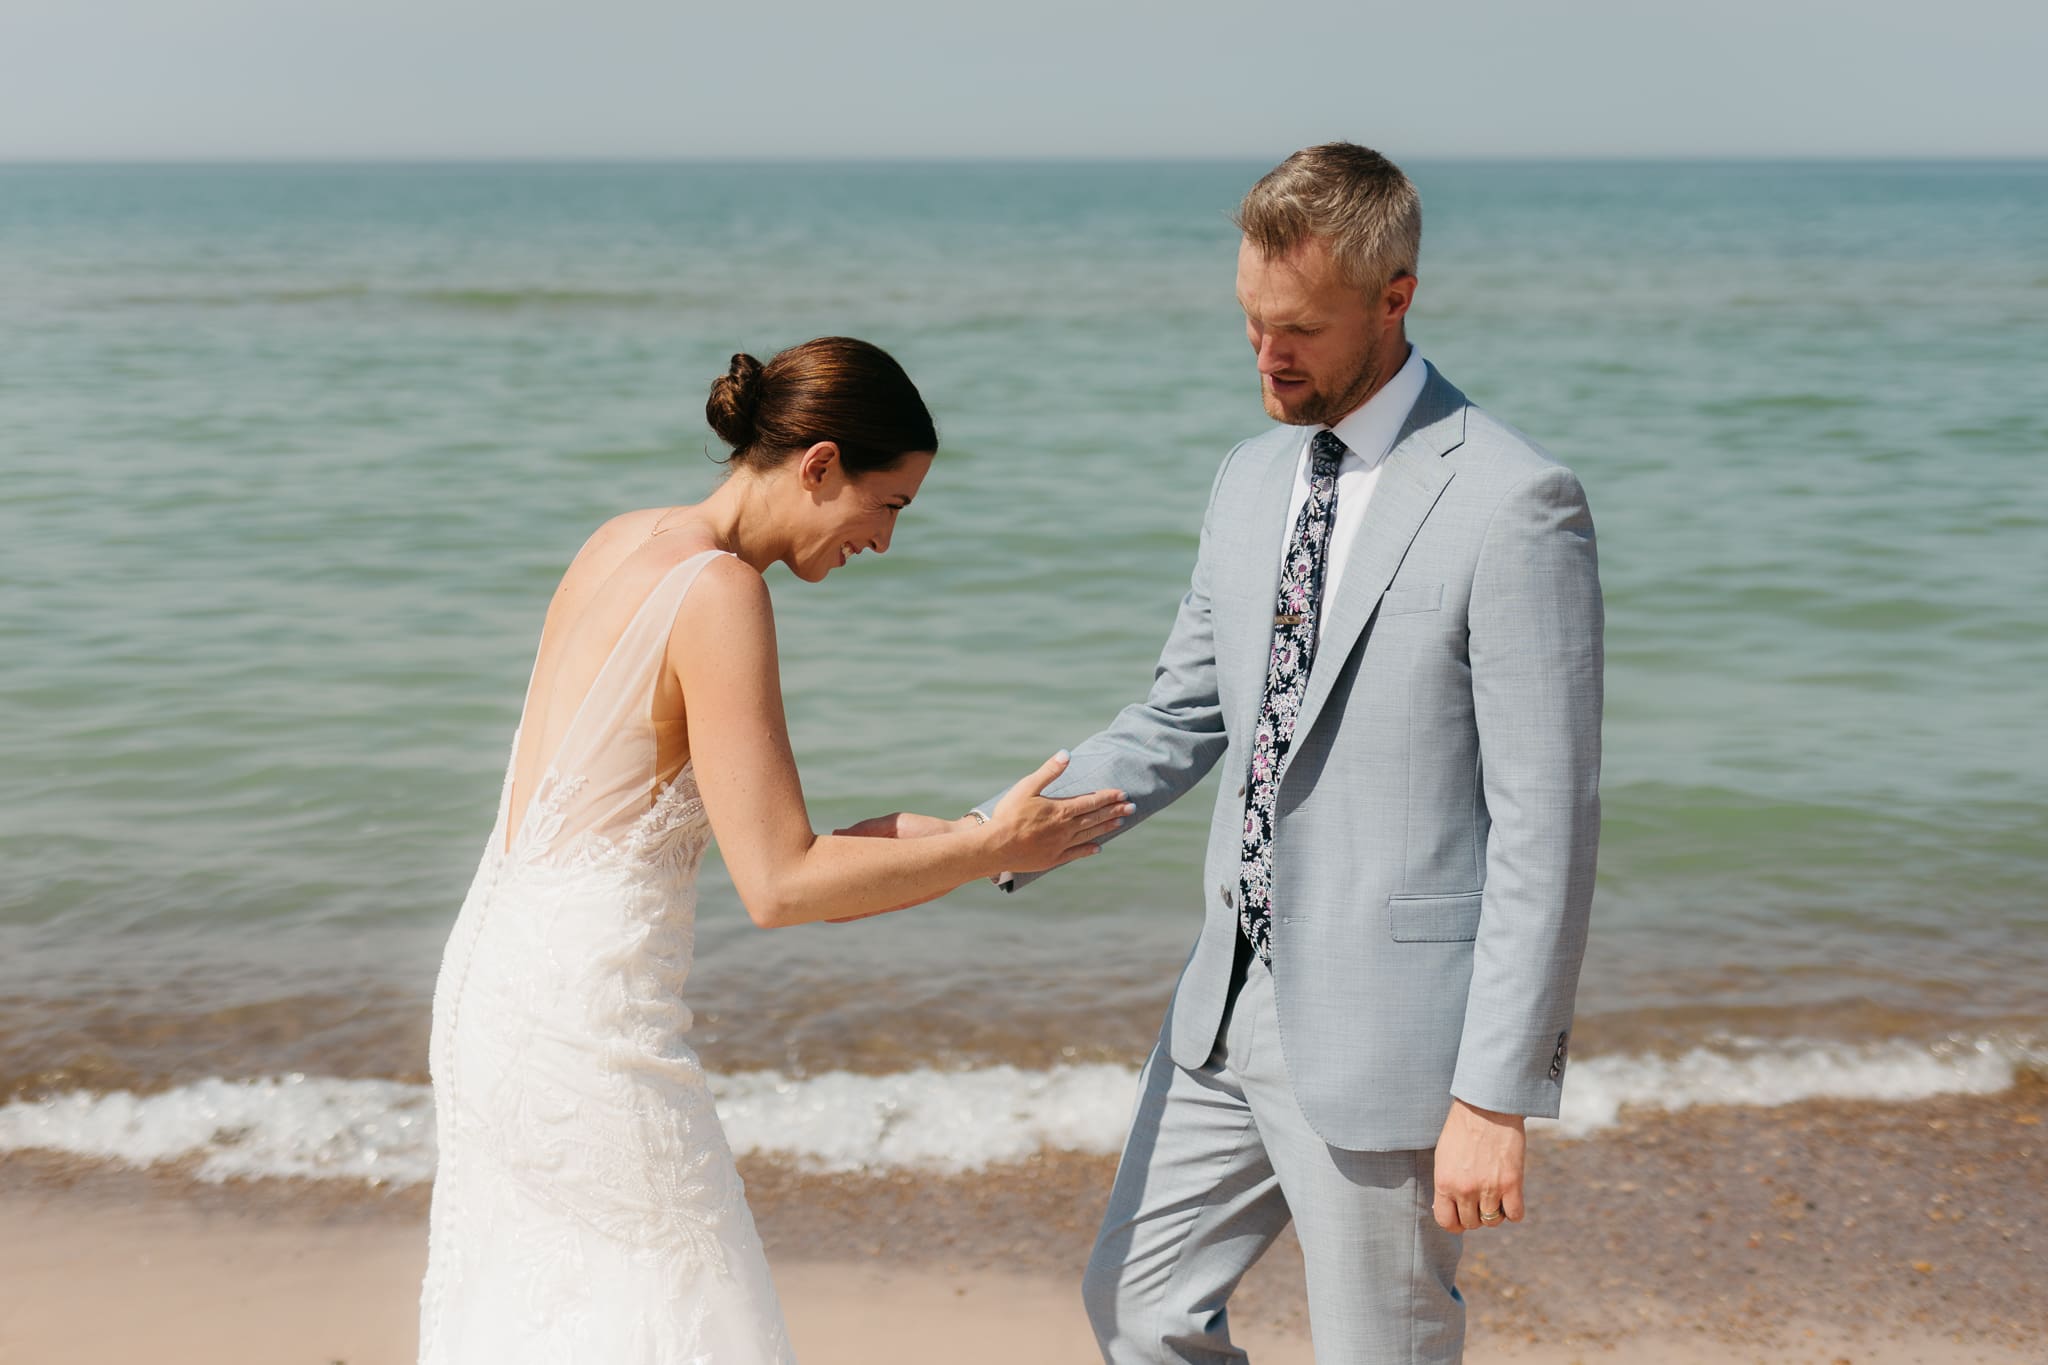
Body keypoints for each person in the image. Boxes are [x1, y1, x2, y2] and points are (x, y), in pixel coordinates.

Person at [984, 143, 1603, 1362]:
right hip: (1222, 1005)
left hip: (1391, 1026)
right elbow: (1181, 716)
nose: (1268, 356)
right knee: (1139, 1311)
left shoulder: (1514, 500)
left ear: (1394, 295)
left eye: (1301, 329)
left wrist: (1494, 1093)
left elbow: (1547, 822)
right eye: (1251, 323)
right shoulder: (1249, 478)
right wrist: (990, 837)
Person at [415, 336, 1131, 1364]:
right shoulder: (719, 592)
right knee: (672, 1308)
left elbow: (727, 839)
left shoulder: (623, 539)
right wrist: (989, 850)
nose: (883, 541)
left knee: (552, 1310)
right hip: (586, 1022)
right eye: (889, 505)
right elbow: (781, 885)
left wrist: (975, 839)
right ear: (819, 464)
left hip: (491, 997)